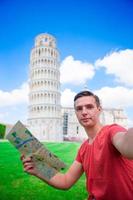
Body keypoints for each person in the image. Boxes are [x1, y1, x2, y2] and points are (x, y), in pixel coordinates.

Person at [21, 90, 133, 200]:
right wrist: (38, 168)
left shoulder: (111, 132)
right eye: (79, 109)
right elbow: (65, 181)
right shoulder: (83, 148)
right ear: (76, 114)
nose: (84, 112)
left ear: (99, 110)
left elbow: (127, 146)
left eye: (89, 107)